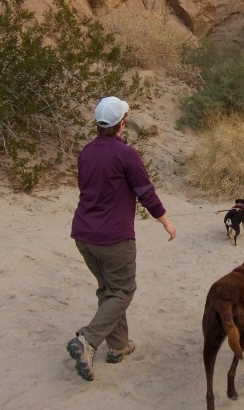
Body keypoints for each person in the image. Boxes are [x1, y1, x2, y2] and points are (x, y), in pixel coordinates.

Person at [66, 96, 177, 381]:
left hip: (83, 235)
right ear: (122, 124)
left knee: (108, 290)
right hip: (114, 237)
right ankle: (88, 340)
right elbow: (144, 190)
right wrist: (165, 221)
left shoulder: (87, 152)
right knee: (123, 291)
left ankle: (117, 347)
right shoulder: (126, 153)